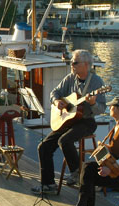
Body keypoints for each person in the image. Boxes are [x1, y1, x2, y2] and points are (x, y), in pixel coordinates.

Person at [31, 49, 107, 194]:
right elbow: (55, 92)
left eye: (75, 62)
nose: (71, 64)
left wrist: (92, 104)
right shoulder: (70, 78)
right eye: (72, 62)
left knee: (64, 140)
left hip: (86, 122)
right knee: (43, 147)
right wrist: (57, 101)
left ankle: (77, 173)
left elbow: (101, 109)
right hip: (69, 121)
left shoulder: (97, 82)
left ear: (85, 65)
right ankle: (48, 185)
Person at [63, 96, 119, 206]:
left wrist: (110, 169)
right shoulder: (117, 126)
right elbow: (118, 149)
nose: (109, 108)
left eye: (112, 106)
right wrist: (107, 148)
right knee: (88, 167)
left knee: (89, 172)